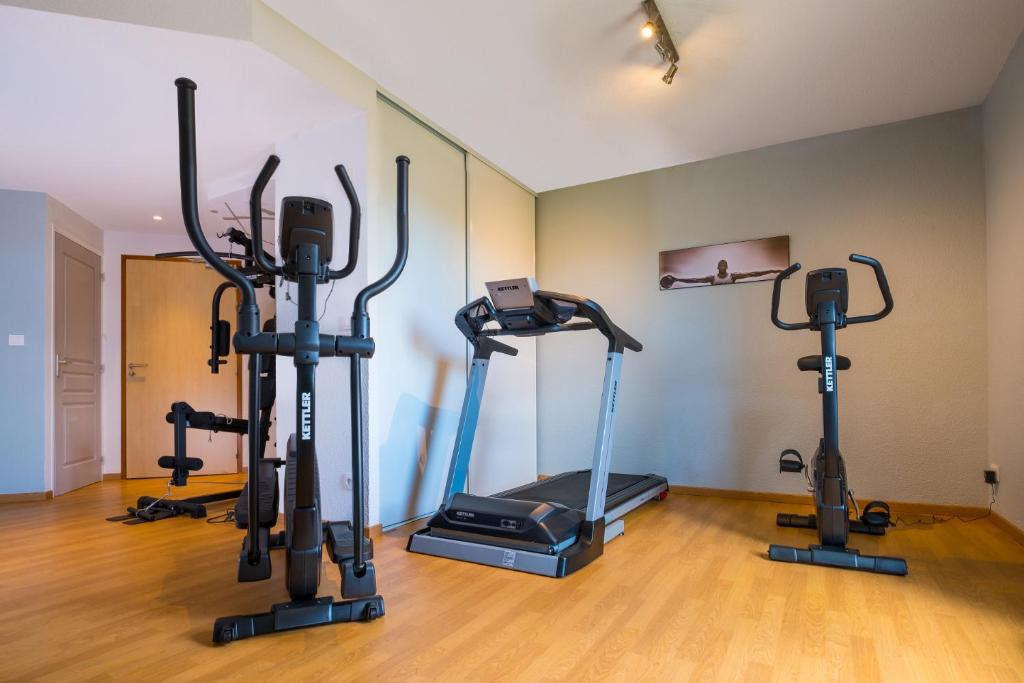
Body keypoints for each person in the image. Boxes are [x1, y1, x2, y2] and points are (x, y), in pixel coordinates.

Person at [660, 259, 784, 289]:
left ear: (727, 267)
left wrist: (773, 271)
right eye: (721, 264)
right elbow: (695, 280)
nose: (723, 266)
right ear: (718, 267)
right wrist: (676, 279)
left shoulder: (733, 276)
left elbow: (753, 274)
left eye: (725, 265)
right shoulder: (712, 278)